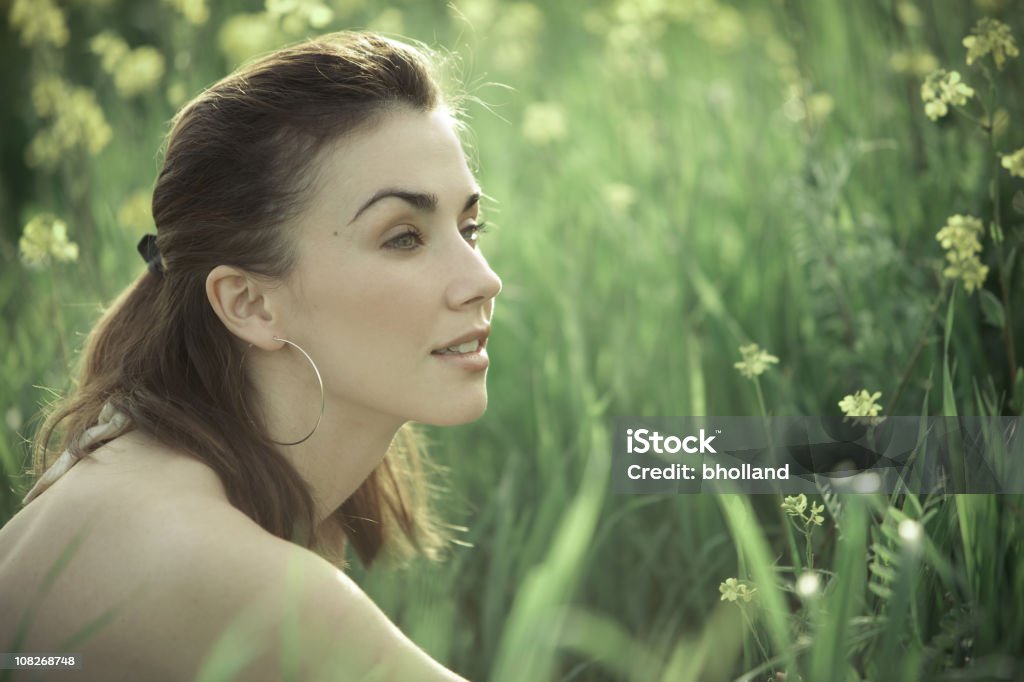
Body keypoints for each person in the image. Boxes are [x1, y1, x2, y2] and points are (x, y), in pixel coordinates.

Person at [0, 31, 500, 681]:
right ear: (250, 304)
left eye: (469, 229)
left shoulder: (137, 461)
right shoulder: (214, 565)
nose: (483, 280)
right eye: (403, 237)